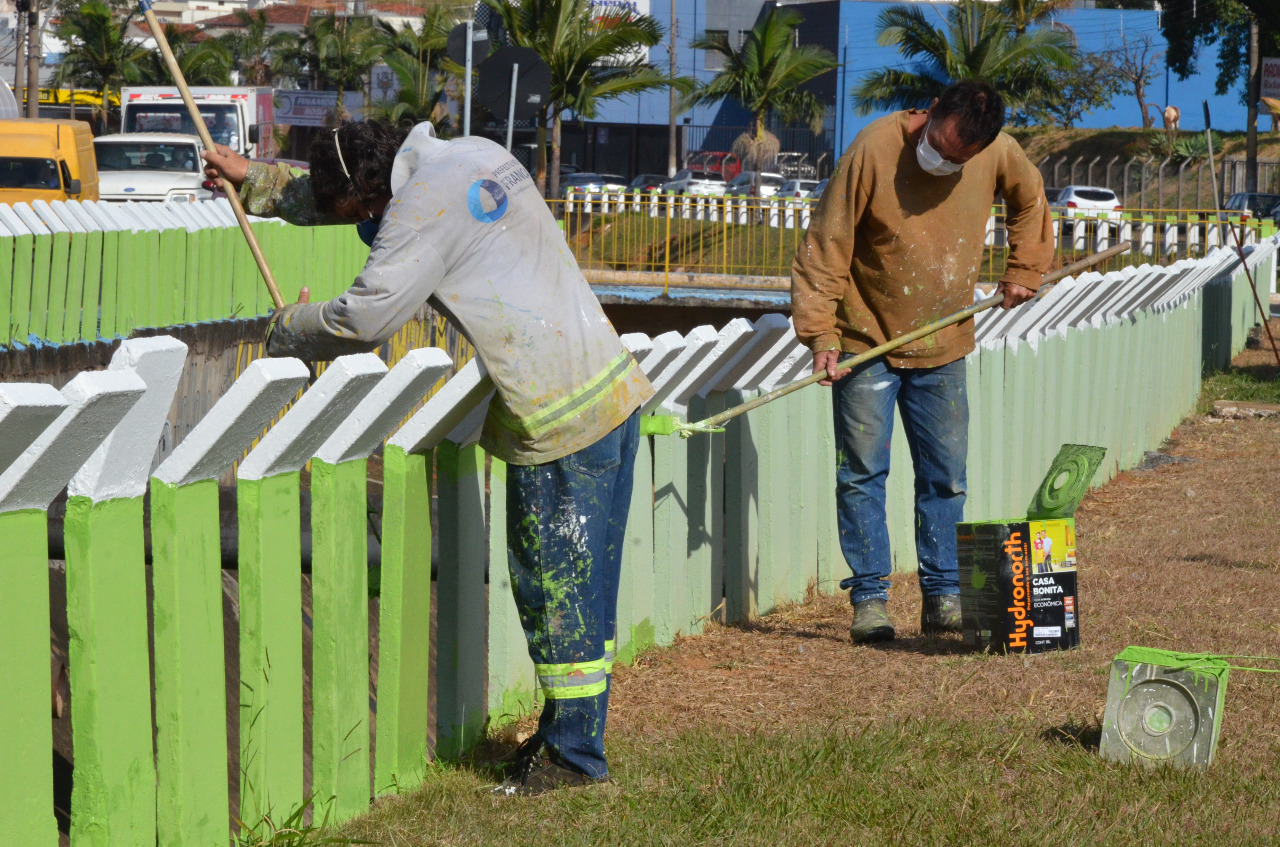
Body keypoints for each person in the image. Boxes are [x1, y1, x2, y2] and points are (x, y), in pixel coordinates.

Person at [203, 120, 653, 795]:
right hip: (606, 387)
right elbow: (354, 202)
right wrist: (257, 182)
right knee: (583, 585)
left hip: (560, 412)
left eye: (360, 214)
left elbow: (367, 316)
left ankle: (576, 757)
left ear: (373, 196)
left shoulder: (418, 207)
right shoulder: (469, 156)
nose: (361, 224)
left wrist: (288, 328)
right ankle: (567, 736)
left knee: (554, 587)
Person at [791, 80, 1054, 644]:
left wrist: (1024, 269)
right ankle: (869, 601)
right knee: (862, 473)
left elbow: (1030, 201)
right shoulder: (873, 149)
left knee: (945, 477)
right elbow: (827, 241)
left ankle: (943, 597)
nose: (944, 162)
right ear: (930, 111)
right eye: (938, 146)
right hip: (868, 341)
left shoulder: (998, 152)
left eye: (959, 160)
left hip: (945, 341)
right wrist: (821, 334)